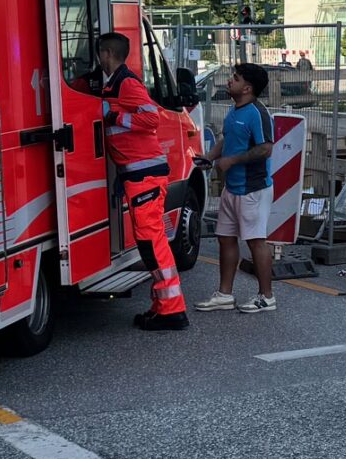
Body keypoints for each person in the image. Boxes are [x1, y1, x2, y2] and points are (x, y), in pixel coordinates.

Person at [87, 31, 186, 332]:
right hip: (139, 175)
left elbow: (151, 119)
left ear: (106, 53)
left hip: (145, 177)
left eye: (99, 54)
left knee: (152, 244)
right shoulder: (115, 83)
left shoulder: (126, 83)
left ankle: (172, 310)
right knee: (150, 244)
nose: (98, 60)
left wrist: (113, 116)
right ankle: (163, 307)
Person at [197, 61, 277, 313]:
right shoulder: (234, 110)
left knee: (256, 241)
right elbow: (227, 139)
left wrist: (233, 160)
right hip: (231, 188)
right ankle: (224, 294)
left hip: (252, 189)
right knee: (225, 239)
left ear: (248, 88)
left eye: (236, 78)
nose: (230, 80)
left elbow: (266, 148)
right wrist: (208, 158)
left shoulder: (257, 113)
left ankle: (267, 297)